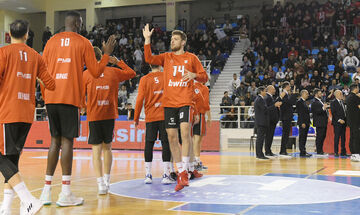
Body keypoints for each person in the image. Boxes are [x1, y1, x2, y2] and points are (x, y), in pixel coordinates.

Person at [39, 11, 116, 206]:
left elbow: (42, 72)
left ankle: (46, 192)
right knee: (67, 143)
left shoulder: (51, 42)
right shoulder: (83, 42)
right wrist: (106, 53)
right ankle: (65, 193)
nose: (81, 26)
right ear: (77, 24)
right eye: (80, 23)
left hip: (51, 97)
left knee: (54, 142)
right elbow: (96, 72)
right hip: (69, 98)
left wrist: (46, 96)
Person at [143, 24, 208, 191]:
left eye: (176, 39)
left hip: (185, 101)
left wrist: (194, 75)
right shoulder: (166, 57)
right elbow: (149, 58)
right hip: (169, 103)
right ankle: (180, 172)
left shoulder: (192, 58)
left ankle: (185, 170)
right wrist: (147, 40)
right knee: (172, 137)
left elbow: (204, 77)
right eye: (171, 39)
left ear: (183, 42)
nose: (172, 41)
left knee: (185, 133)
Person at [0, 20, 55, 215]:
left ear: (9, 34)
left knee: (2, 158)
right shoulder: (35, 56)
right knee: (11, 160)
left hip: (7, 111)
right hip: (26, 113)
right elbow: (51, 84)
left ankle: (28, 200)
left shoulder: (3, 53)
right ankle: (6, 207)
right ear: (27, 35)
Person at [82, 47, 136, 195]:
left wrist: (83, 107)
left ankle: (100, 184)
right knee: (108, 148)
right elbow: (132, 73)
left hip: (94, 116)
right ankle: (107, 180)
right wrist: (118, 62)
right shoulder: (113, 72)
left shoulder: (86, 74)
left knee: (96, 151)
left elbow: (80, 95)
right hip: (109, 115)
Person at [134, 65, 173, 185]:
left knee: (149, 144)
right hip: (164, 115)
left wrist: (136, 117)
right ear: (161, 66)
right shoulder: (166, 76)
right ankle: (166, 174)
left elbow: (140, 99)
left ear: (150, 65)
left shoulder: (145, 79)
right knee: (166, 143)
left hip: (151, 116)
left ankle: (148, 175)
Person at [254, 87, 281, 159]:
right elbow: (265, 110)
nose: (265, 92)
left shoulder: (259, 99)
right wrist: (274, 105)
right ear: (261, 91)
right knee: (260, 139)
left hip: (261, 122)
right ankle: (259, 154)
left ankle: (260, 154)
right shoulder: (260, 99)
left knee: (260, 139)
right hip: (261, 122)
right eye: (264, 91)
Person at [192, 81, 211, 170]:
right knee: (197, 139)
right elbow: (206, 103)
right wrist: (209, 117)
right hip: (199, 114)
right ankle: (196, 161)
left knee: (193, 139)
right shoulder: (204, 88)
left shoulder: (190, 85)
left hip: (190, 113)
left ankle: (193, 161)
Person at [278, 82, 298, 157]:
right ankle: (282, 150)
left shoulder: (286, 94)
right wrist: (294, 94)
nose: (290, 87)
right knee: (285, 134)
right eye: (289, 86)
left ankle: (284, 150)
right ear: (286, 87)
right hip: (285, 117)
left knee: (286, 134)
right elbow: (290, 102)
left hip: (287, 117)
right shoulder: (283, 94)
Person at [312, 88, 330, 156]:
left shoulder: (321, 101)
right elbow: (316, 111)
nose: (321, 94)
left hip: (323, 122)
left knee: (322, 136)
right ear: (316, 94)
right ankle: (319, 151)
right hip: (319, 122)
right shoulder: (314, 102)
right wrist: (323, 108)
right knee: (319, 137)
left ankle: (321, 150)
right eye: (320, 93)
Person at [264, 85, 280, 157]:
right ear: (269, 89)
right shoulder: (267, 97)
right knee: (268, 136)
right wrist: (275, 105)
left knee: (270, 136)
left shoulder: (270, 97)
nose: (275, 90)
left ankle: (269, 150)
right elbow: (266, 109)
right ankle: (267, 151)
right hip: (269, 120)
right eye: (273, 89)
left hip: (272, 120)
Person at [330, 90, 347, 157]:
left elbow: (344, 112)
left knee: (343, 138)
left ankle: (343, 151)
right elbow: (333, 113)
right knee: (337, 137)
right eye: (340, 94)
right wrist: (339, 120)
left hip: (344, 123)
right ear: (336, 95)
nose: (342, 95)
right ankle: (336, 152)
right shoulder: (333, 102)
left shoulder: (342, 102)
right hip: (337, 123)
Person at [346, 84, 360, 162]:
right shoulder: (355, 97)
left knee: (352, 137)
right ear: (356, 89)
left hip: (350, 121)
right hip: (356, 121)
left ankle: (353, 154)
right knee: (356, 137)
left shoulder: (348, 97)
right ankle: (357, 154)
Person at [296, 90, 312, 157]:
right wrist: (302, 122)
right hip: (303, 122)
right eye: (306, 93)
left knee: (304, 137)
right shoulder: (299, 102)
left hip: (306, 122)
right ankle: (302, 152)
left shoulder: (304, 102)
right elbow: (300, 113)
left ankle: (304, 151)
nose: (308, 95)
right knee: (302, 137)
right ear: (302, 94)